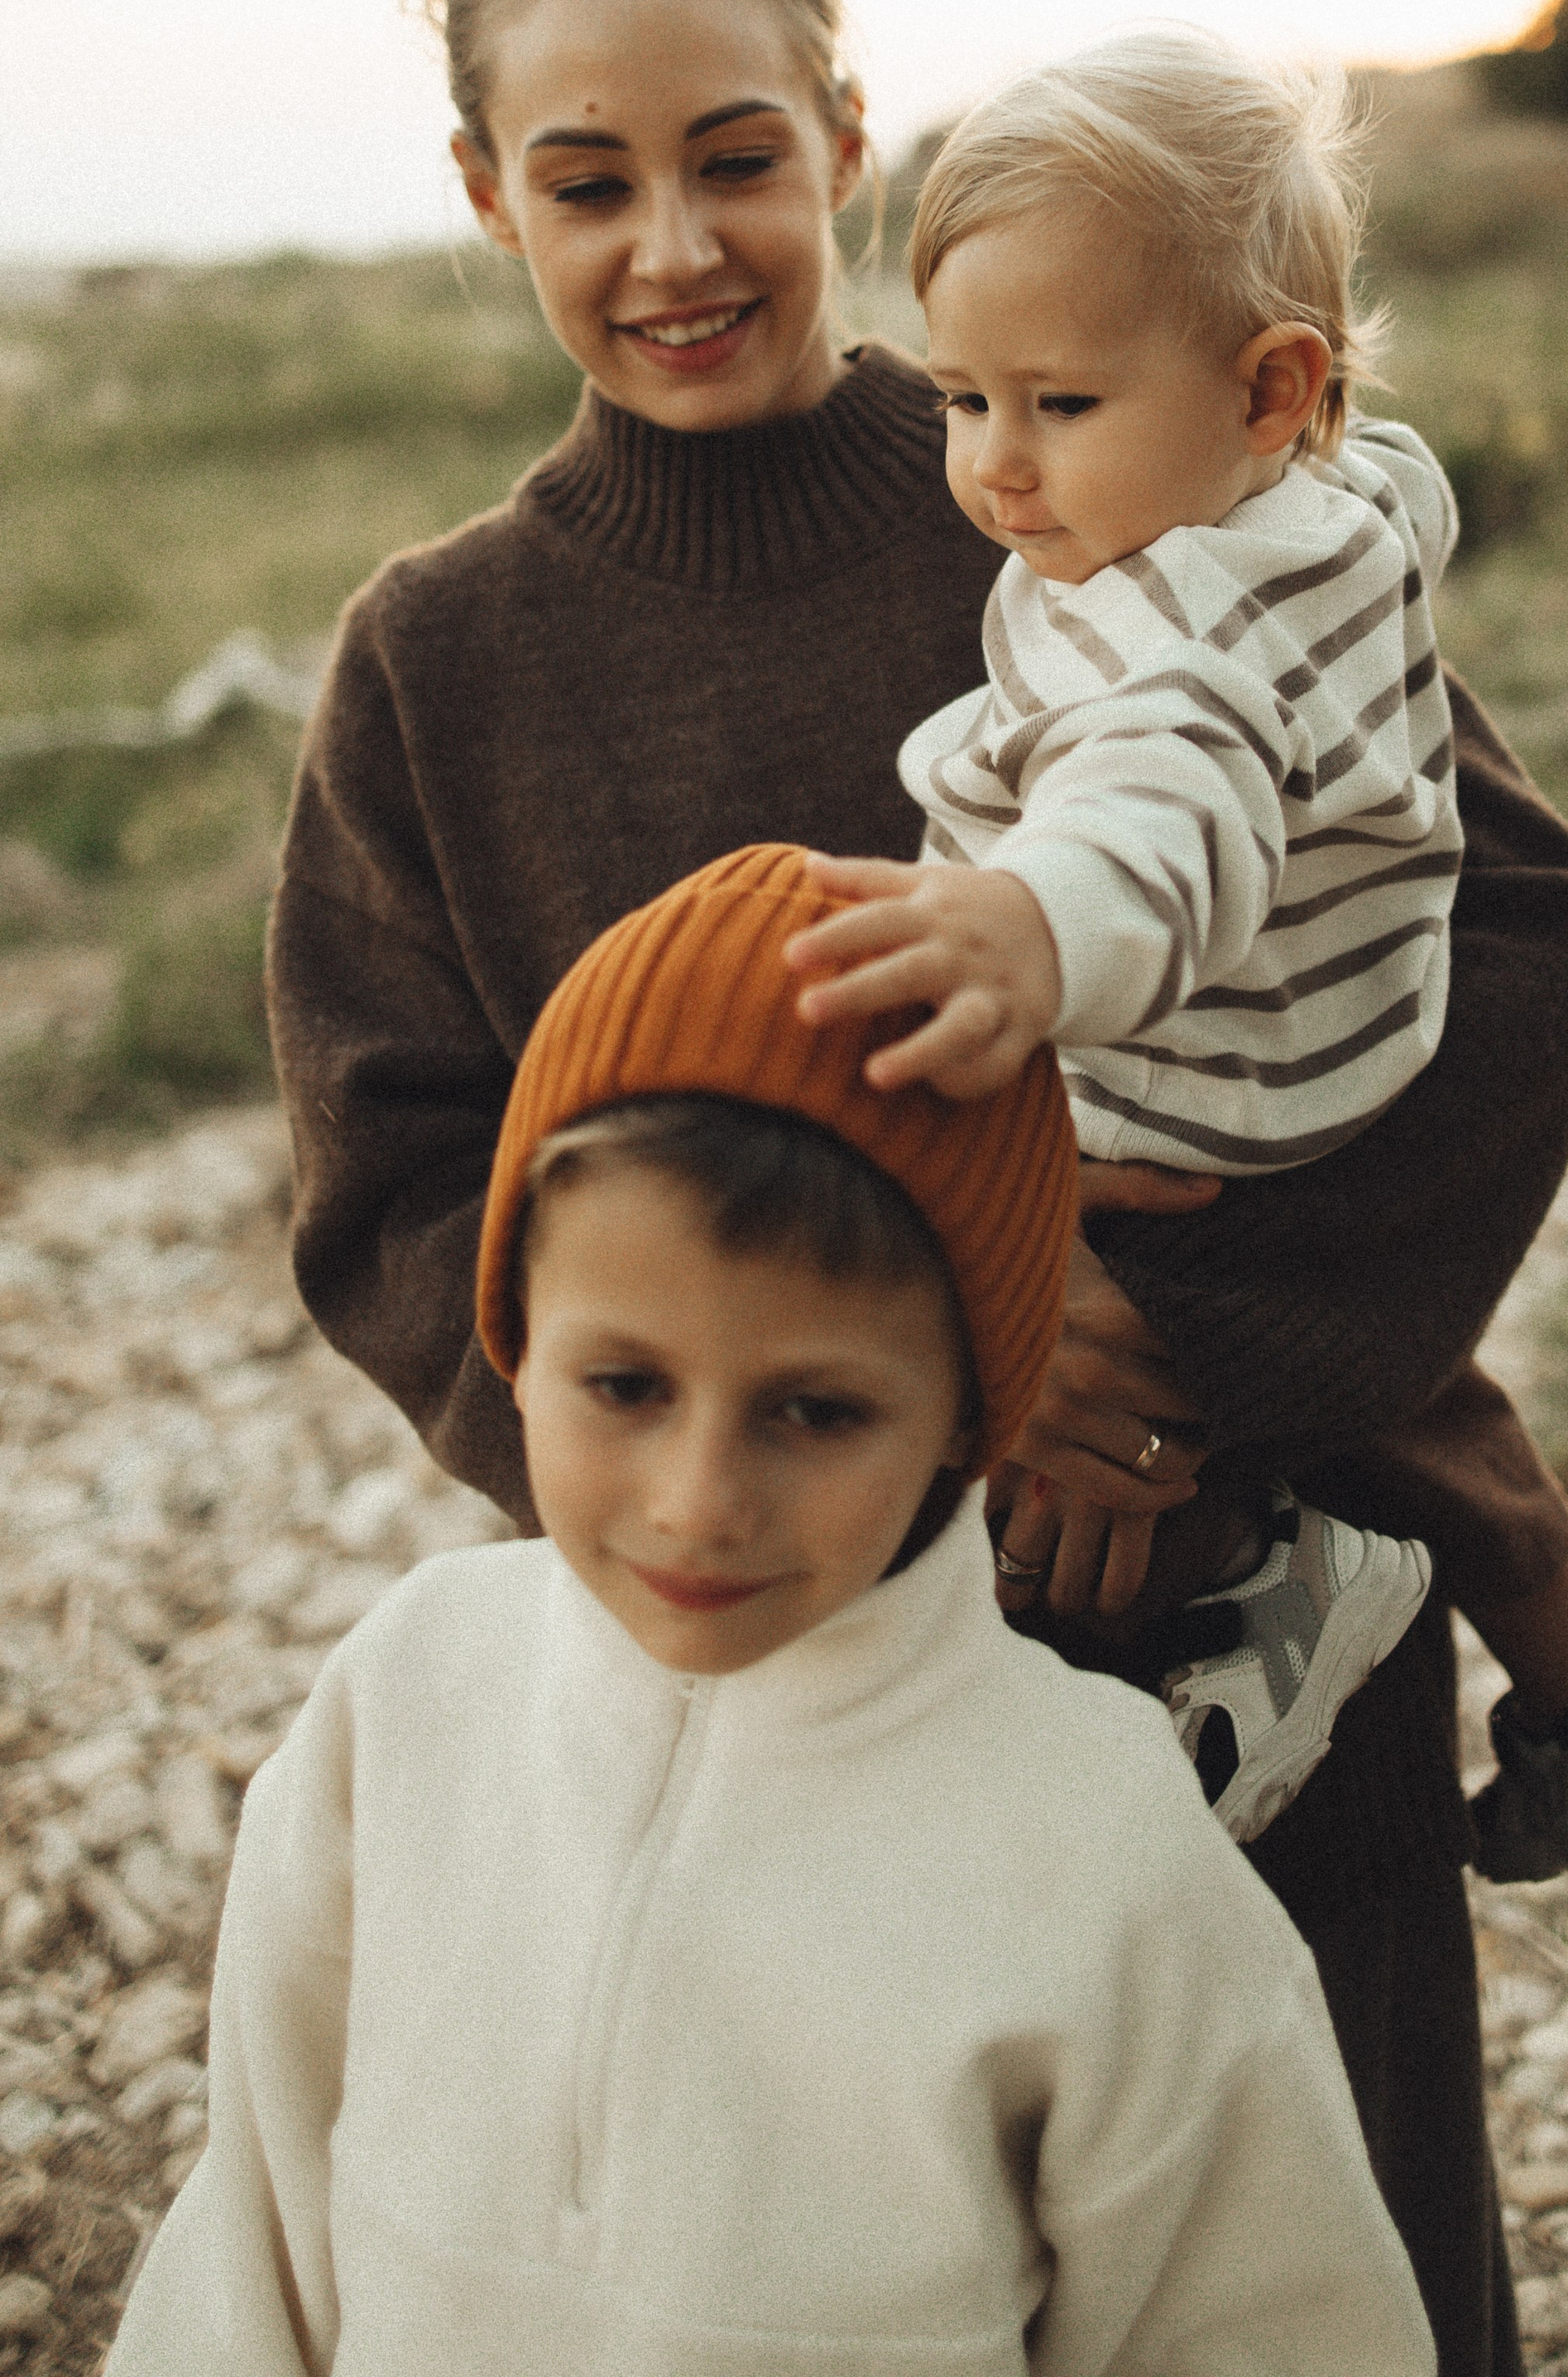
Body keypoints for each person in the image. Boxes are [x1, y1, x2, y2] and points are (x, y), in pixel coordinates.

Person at [266, 0, 1568, 2375]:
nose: (672, 242)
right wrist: (825, 1456)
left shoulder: (1114, 475)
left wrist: (1168, 1362)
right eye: (588, 180)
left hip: (1245, 1625)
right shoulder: (434, 666)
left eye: (736, 158)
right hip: (764, 1661)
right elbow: (390, 1190)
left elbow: (1520, 939)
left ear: (845, 138)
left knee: (1324, 2285)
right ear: (488, 196)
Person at [113, 848, 1436, 2374]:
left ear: (970, 1411)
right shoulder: (407, 1698)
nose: (696, 1502)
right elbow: (255, 2233)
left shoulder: (1100, 1846)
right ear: (515, 1334)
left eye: (812, 1412)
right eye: (625, 1386)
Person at [784, 28, 1568, 1883]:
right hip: (1340, 1049)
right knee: (1430, 1400)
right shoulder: (1340, 502)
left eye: (1051, 404)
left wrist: (1031, 926)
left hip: (1179, 1081)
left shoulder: (1175, 627)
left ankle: (1268, 1589)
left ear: (1264, 385)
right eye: (961, 399)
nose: (989, 467)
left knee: (1034, 1402)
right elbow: (1388, 513)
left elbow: (1165, 810)